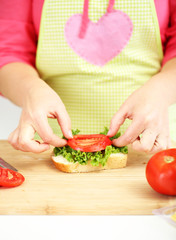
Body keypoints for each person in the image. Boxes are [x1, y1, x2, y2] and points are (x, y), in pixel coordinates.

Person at [0, 0, 176, 154]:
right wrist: (30, 90)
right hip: (45, 147)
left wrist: (159, 92)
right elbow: (8, 52)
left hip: (155, 144)